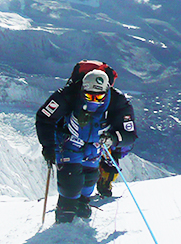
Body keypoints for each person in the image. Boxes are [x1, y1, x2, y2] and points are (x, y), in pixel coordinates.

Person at [36, 61, 138, 223]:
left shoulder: (118, 102)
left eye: (98, 96)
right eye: (89, 96)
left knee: (89, 179)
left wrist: (113, 138)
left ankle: (82, 204)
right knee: (70, 180)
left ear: (107, 91)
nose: (93, 100)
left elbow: (130, 134)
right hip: (69, 141)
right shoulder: (68, 94)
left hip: (96, 146)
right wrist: (48, 146)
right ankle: (65, 212)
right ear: (82, 89)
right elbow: (45, 117)